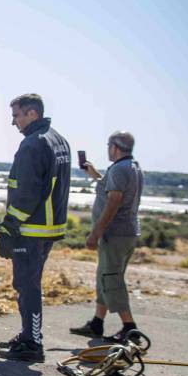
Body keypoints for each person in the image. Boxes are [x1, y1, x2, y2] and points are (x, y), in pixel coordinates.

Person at [0, 94, 71, 362]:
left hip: (31, 230)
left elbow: (26, 194)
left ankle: (32, 343)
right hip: (48, 228)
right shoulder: (58, 139)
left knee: (27, 286)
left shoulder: (32, 144)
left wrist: (8, 228)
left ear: (32, 114)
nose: (13, 122)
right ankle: (29, 334)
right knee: (30, 284)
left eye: (16, 115)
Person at [69, 131, 144, 341]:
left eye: (108, 146)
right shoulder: (132, 167)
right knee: (105, 276)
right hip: (126, 233)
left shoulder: (120, 169)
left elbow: (113, 202)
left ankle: (130, 328)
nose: (107, 149)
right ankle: (97, 323)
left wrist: (95, 233)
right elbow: (111, 189)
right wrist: (94, 174)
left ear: (114, 147)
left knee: (111, 279)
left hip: (115, 234)